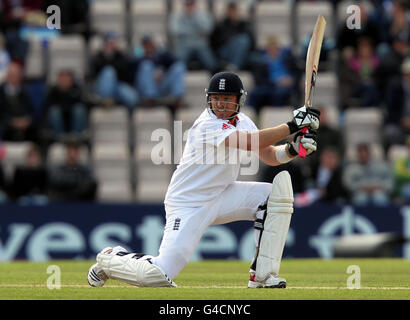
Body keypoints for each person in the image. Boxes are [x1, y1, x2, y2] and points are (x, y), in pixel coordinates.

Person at [87, 72, 321, 288]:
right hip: (189, 203)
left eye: (227, 98)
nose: (220, 104)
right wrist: (292, 125)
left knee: (275, 196)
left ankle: (262, 276)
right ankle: (110, 258)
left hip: (222, 194)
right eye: (216, 98)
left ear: (238, 100)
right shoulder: (206, 126)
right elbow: (250, 142)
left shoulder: (244, 122)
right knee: (157, 274)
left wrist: (292, 149)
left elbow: (269, 155)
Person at [134, 35, 186, 110]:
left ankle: (178, 99)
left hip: (160, 85)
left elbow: (175, 60)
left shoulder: (159, 55)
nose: (148, 46)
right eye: (145, 45)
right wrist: (146, 56)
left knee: (179, 66)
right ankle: (150, 99)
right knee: (146, 66)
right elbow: (131, 71)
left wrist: (161, 52)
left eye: (149, 44)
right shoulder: (137, 56)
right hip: (143, 89)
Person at [247, 35, 296, 113]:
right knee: (255, 94)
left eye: (275, 47)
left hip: (285, 86)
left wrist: (291, 80)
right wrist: (277, 82)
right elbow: (258, 79)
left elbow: (296, 72)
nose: (273, 49)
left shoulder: (288, 58)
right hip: (269, 85)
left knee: (280, 93)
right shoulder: (260, 61)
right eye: (270, 47)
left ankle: (277, 117)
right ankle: (252, 116)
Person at [92, 32, 138, 110]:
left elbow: (125, 72)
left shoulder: (121, 56)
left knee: (133, 98)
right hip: (101, 87)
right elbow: (95, 71)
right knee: (109, 71)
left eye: (113, 43)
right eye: (110, 43)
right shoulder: (98, 57)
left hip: (117, 85)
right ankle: (107, 100)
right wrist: (107, 55)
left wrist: (112, 57)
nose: (112, 45)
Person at [169, 0, 218, 72]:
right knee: (178, 64)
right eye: (187, 4)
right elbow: (175, 31)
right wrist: (197, 32)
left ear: (195, 4)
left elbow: (208, 29)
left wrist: (195, 17)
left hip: (200, 45)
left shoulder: (203, 15)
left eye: (191, 4)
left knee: (211, 63)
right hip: (184, 46)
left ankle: (214, 81)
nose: (189, 6)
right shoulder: (176, 16)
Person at [210, 1, 254, 71]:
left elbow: (251, 41)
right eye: (230, 10)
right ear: (227, 12)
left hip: (241, 52)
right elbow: (214, 41)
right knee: (243, 40)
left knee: (257, 59)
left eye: (234, 10)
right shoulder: (221, 24)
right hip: (225, 52)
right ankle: (234, 66)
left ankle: (233, 65)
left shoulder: (243, 24)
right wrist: (234, 40)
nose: (232, 13)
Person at [0, 62, 38, 142]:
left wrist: (26, 120)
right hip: (6, 125)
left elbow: (32, 111)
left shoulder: (26, 91)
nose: (14, 77)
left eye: (16, 75)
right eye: (12, 75)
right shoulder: (1, 92)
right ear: (7, 76)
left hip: (25, 125)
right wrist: (12, 121)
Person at [45, 69, 88, 138]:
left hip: (73, 120)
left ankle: (76, 137)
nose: (65, 80)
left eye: (67, 78)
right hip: (59, 122)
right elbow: (47, 108)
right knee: (54, 111)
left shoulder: (77, 90)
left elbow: (82, 104)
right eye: (63, 78)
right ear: (59, 79)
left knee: (79, 109)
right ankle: (59, 137)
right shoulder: (53, 92)